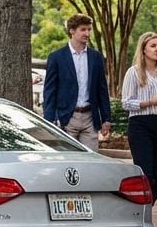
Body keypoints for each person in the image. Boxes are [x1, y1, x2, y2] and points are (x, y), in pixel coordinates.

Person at [42, 14, 112, 148]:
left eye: (89, 29)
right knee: (66, 160)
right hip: (67, 118)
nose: (87, 33)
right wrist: (50, 119)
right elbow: (50, 91)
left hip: (90, 118)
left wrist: (106, 118)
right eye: (83, 29)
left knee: (91, 161)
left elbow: (102, 90)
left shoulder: (96, 57)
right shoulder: (56, 57)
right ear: (72, 31)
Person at [121, 32, 157, 201]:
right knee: (146, 174)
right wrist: (150, 102)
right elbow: (126, 103)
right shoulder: (133, 72)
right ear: (143, 49)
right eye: (153, 46)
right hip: (140, 125)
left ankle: (143, 208)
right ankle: (140, 211)